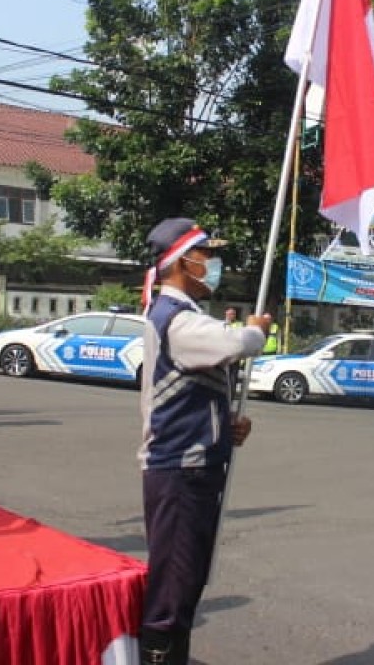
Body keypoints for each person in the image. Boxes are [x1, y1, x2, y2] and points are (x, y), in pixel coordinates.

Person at [138, 218, 268, 665]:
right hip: (180, 468)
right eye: (206, 255)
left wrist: (224, 423)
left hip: (195, 463)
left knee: (187, 580)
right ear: (180, 262)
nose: (212, 264)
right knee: (172, 592)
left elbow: (195, 388)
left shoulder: (185, 316)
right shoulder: (176, 320)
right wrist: (258, 329)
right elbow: (242, 342)